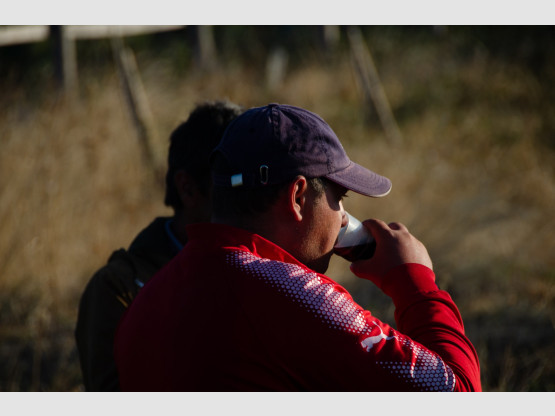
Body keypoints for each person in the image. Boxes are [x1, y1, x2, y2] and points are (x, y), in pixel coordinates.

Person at [114, 103, 481, 391]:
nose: (343, 218)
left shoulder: (150, 299)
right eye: (340, 197)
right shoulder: (293, 295)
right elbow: (456, 392)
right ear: (298, 196)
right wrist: (415, 285)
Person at [75, 100, 243, 391]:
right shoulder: (119, 288)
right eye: (237, 182)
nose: (254, 195)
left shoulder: (276, 264)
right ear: (188, 188)